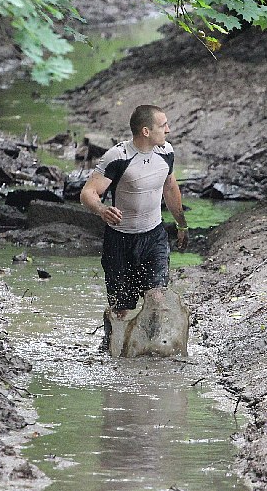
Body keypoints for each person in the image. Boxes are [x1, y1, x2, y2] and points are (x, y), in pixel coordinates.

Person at [80, 105, 189, 351]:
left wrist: (182, 223)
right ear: (146, 131)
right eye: (163, 126)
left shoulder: (167, 153)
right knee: (121, 309)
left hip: (154, 237)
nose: (168, 130)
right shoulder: (118, 157)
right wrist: (101, 209)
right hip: (120, 241)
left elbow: (170, 187)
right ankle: (114, 349)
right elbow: (88, 192)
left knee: (158, 298)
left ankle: (153, 351)